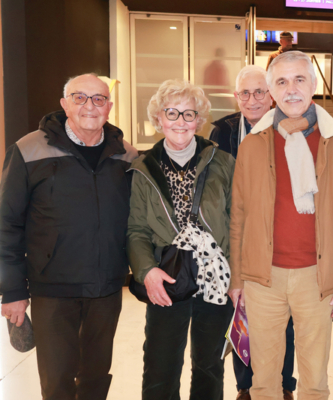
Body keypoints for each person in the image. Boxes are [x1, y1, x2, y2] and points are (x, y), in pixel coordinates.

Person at [229, 50, 333, 400]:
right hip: (262, 278)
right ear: (272, 91)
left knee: (315, 381)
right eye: (281, 81)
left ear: (314, 84)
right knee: (263, 382)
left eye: (299, 79)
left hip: (318, 278)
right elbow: (239, 217)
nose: (291, 89)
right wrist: (237, 278)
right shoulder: (252, 145)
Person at [0, 73, 137, 399]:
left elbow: (139, 221)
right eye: (80, 97)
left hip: (105, 288)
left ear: (109, 106)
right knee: (57, 380)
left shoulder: (126, 155)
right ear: (64, 104)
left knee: (96, 377)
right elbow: (6, 224)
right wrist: (12, 290)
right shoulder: (28, 149)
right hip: (52, 289)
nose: (90, 106)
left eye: (99, 99)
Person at [127, 79, 235, 399]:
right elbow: (136, 230)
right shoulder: (143, 168)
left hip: (215, 277)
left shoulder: (223, 163)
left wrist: (238, 277)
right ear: (158, 118)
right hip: (166, 275)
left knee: (209, 366)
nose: (180, 121)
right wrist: (147, 271)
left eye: (189, 114)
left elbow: (239, 223)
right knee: (160, 365)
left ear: (199, 120)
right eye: (171, 113)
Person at [209, 65, 297, 400]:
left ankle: (284, 385)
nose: (252, 100)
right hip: (238, 236)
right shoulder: (223, 132)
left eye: (260, 92)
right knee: (241, 310)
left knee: (283, 318)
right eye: (245, 93)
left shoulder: (292, 128)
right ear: (236, 96)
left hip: (281, 237)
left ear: (272, 95)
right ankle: (245, 386)